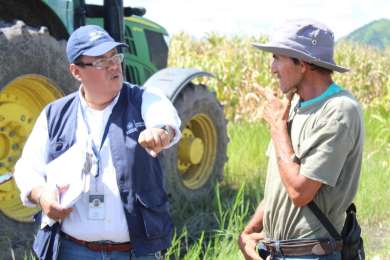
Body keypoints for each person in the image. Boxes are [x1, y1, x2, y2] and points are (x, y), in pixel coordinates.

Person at [14, 25, 182, 260]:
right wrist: (42, 196)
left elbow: (166, 119)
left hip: (134, 252)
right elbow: (27, 167)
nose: (114, 65)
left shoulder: (144, 99)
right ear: (76, 71)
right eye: (101, 61)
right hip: (72, 250)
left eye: (115, 57)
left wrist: (160, 132)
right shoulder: (54, 114)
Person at [238, 19, 364, 260]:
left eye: (277, 57)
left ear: (303, 63)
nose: (272, 68)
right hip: (276, 251)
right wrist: (249, 231)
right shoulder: (294, 106)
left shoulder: (338, 111)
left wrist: (278, 129)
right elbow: (280, 185)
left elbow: (299, 192)